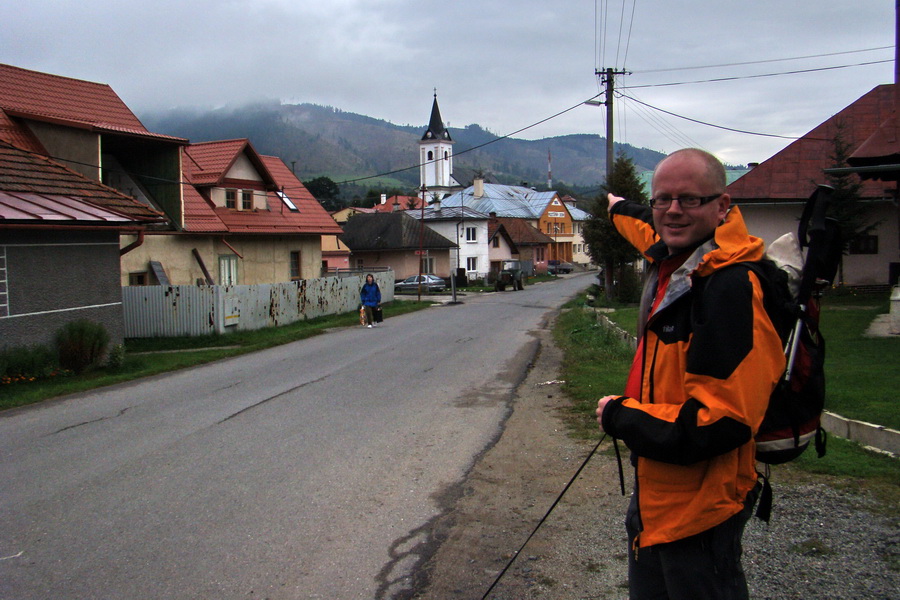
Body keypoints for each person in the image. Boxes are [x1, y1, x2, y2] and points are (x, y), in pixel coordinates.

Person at [595, 148, 785, 600]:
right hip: (657, 496)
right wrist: (616, 205)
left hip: (701, 511)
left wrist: (622, 417)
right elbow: (644, 222)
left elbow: (723, 422)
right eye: (663, 199)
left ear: (723, 206)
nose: (673, 211)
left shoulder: (729, 286)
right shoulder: (674, 255)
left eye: (689, 199)